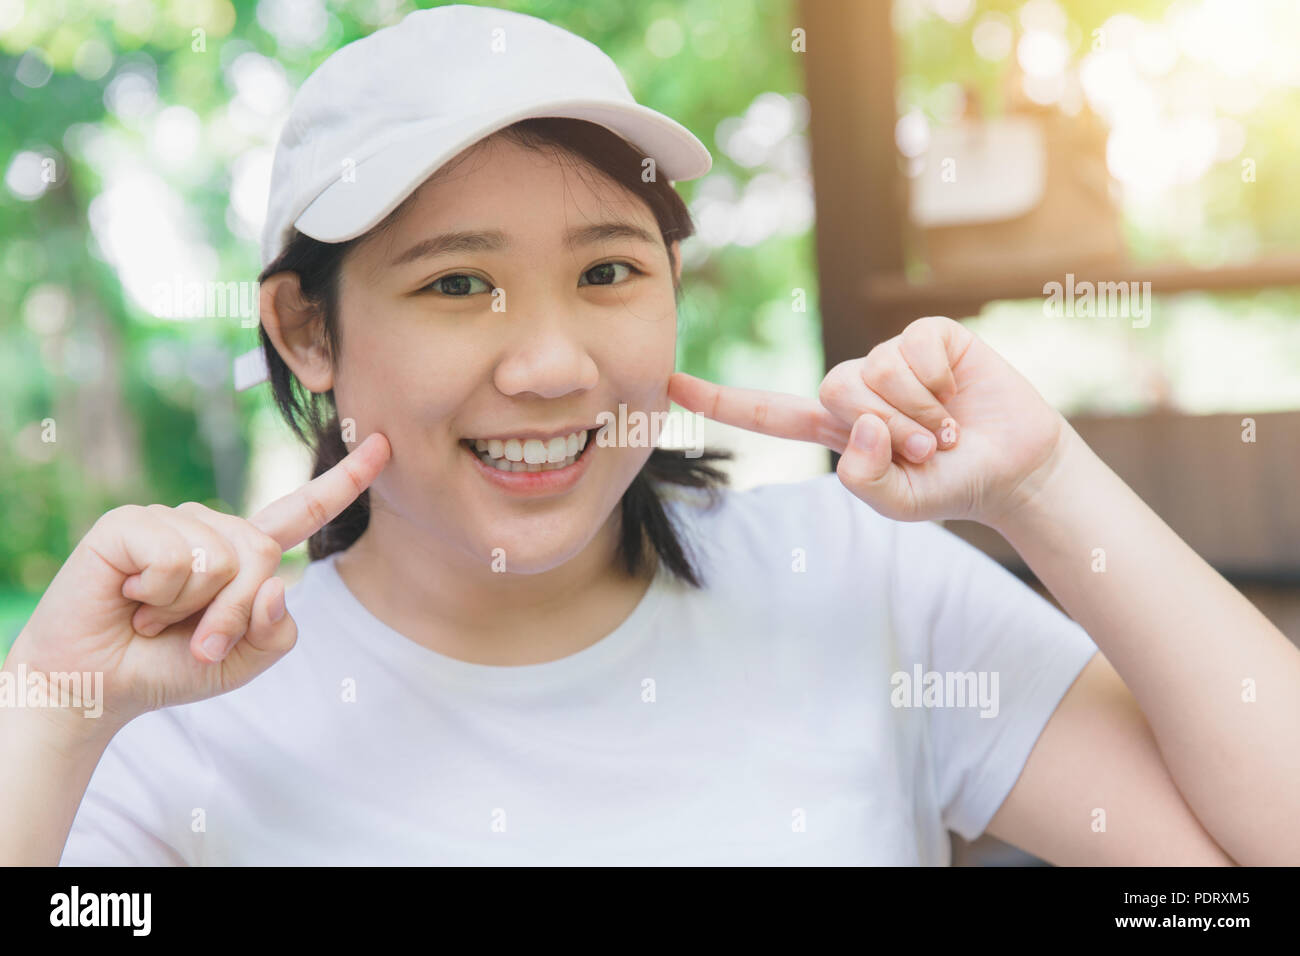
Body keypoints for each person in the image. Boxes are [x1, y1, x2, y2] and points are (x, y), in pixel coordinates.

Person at [3, 4, 1297, 866]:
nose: (555, 361)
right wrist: (48, 712)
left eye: (610, 271)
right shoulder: (179, 711)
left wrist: (1046, 483)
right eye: (458, 283)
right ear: (306, 333)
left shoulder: (857, 583)